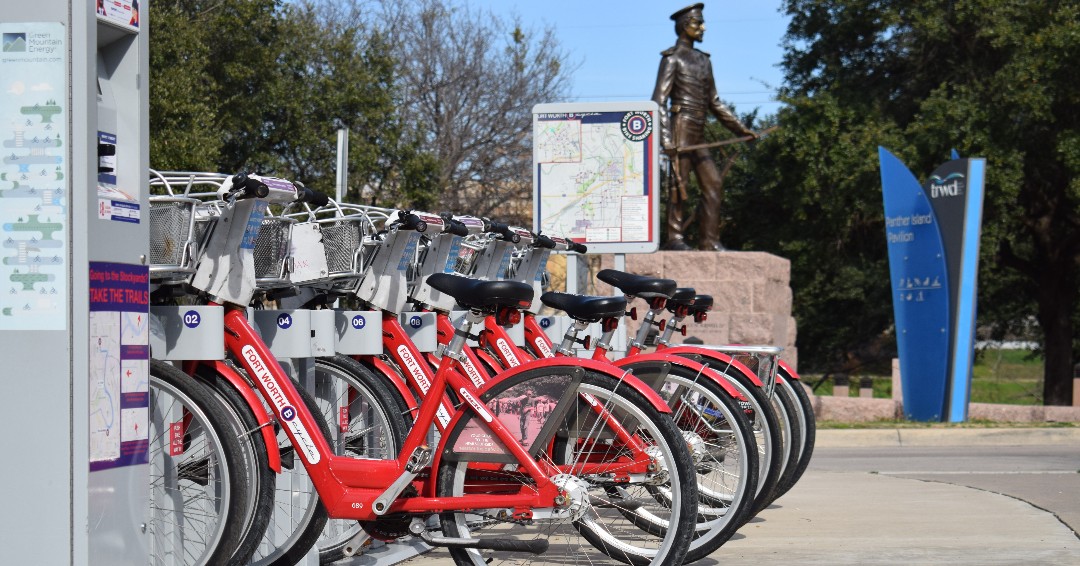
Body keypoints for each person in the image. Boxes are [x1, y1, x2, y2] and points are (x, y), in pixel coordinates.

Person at [652, 3, 757, 251]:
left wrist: (741, 130)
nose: (703, 27)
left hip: (699, 129)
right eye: (698, 23)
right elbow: (658, 101)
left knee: (713, 183)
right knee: (680, 185)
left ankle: (709, 240)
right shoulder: (672, 58)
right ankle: (675, 238)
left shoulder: (703, 60)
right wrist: (666, 139)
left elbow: (715, 102)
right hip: (681, 126)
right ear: (684, 25)